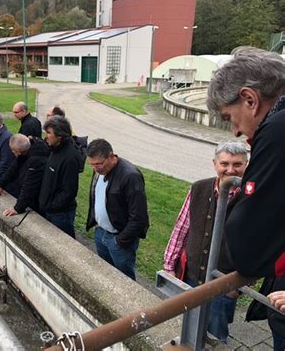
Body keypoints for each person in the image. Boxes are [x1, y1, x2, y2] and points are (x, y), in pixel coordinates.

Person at [207, 49, 285, 350]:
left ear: (250, 99)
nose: (236, 131)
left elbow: (248, 249)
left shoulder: (277, 131)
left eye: (229, 117)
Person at [163, 141, 248, 342]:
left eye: (237, 164)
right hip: (191, 276)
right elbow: (182, 228)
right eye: (224, 164)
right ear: (214, 164)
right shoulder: (199, 188)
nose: (230, 170)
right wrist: (169, 265)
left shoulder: (251, 197)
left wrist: (241, 286)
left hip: (224, 285)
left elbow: (259, 246)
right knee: (188, 327)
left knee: (216, 335)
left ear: (247, 165)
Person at [86, 139, 149, 280]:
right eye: (92, 165)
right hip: (101, 233)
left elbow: (139, 217)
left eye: (99, 164)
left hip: (119, 240)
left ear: (111, 156)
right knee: (107, 276)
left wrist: (120, 240)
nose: (96, 169)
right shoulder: (99, 170)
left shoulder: (130, 176)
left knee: (124, 280)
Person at [38, 116, 82, 238]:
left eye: (49, 133)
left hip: (60, 214)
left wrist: (52, 206)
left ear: (60, 136)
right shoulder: (54, 150)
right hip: (50, 210)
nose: (46, 137)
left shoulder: (69, 158)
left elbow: (70, 190)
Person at [0, 134, 50, 216]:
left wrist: (18, 208)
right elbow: (13, 169)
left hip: (39, 200)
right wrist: (0, 184)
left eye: (13, 150)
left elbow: (30, 186)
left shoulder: (36, 160)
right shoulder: (25, 153)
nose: (12, 152)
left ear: (18, 151)